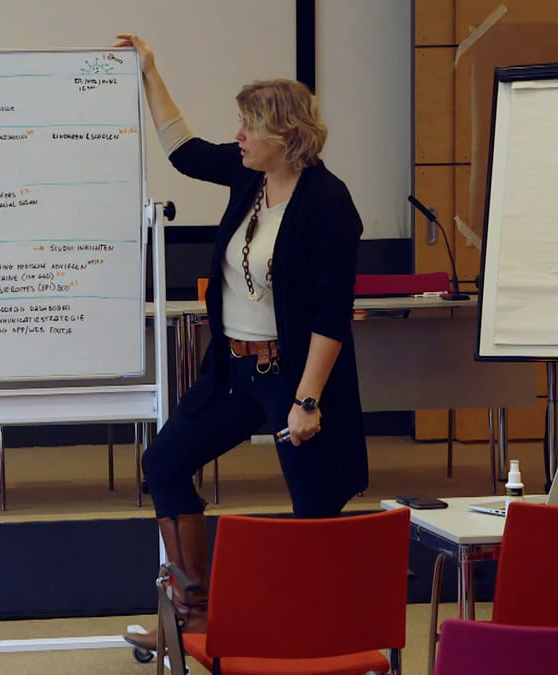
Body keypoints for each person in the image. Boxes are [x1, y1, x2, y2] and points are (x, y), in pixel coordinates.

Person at [115, 34, 368, 650]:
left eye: (249, 127)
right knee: (164, 463)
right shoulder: (246, 175)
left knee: (315, 506)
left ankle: (323, 637)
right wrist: (149, 70)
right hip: (233, 373)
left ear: (285, 136)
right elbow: (182, 149)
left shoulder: (328, 203)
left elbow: (332, 314)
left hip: (293, 377)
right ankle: (193, 617)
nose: (239, 137)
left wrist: (307, 401)